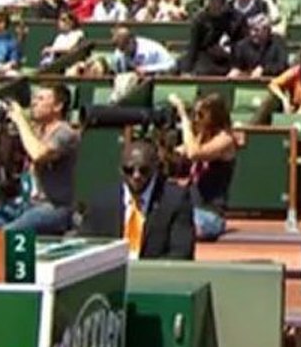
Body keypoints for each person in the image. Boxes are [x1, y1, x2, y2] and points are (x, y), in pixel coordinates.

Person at [80, 139, 195, 260]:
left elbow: (181, 253)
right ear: (120, 169)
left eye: (143, 170)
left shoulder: (174, 200)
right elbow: (86, 248)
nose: (136, 176)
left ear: (155, 168)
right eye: (129, 170)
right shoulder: (102, 202)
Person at [0, 84, 80, 234]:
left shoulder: (66, 133)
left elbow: (38, 154)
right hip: (26, 203)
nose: (34, 103)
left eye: (41, 99)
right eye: (34, 98)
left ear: (58, 106)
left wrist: (21, 120)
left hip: (53, 207)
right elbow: (4, 159)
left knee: (6, 235)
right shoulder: (35, 130)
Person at [169, 93, 236, 241]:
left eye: (200, 115)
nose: (196, 119)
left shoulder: (225, 139)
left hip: (210, 215)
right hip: (189, 209)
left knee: (178, 226)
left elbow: (194, 153)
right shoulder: (201, 137)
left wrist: (184, 119)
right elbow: (179, 153)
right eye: (194, 114)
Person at [111, 26, 178, 75]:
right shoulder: (118, 53)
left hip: (157, 78)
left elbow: (172, 65)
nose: (122, 52)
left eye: (123, 48)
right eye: (120, 49)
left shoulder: (150, 49)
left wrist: (147, 69)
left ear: (131, 41)